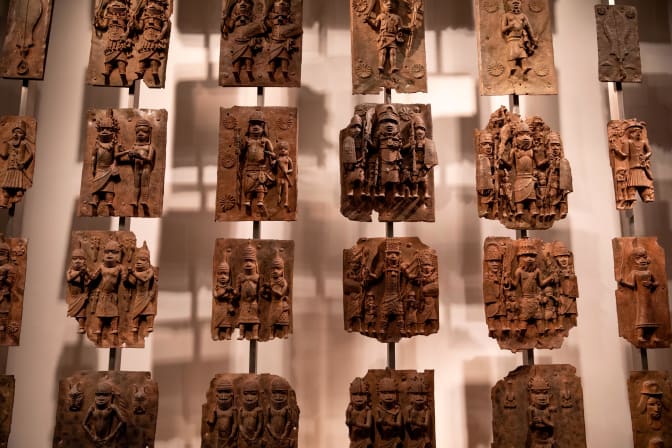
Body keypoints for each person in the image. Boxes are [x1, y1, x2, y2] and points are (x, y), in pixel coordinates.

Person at [620, 246, 661, 343]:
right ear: (634, 260)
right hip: (640, 299)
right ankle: (640, 336)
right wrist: (623, 282)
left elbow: (657, 283)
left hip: (649, 299)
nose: (642, 260)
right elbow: (631, 285)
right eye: (638, 258)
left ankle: (654, 336)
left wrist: (651, 284)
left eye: (644, 257)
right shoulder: (634, 273)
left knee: (652, 317)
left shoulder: (648, 272)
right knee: (641, 316)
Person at [239, 111, 276, 215]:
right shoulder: (247, 141)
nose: (255, 127)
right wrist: (239, 149)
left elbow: (273, 154)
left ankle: (260, 201)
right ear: (248, 127)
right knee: (248, 186)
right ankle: (247, 201)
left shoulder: (265, 141)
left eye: (259, 125)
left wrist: (272, 158)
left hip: (261, 168)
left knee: (260, 186)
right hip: (249, 168)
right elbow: (241, 154)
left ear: (263, 127)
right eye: (253, 125)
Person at [89, 239, 125, 342]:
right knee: (99, 313)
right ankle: (98, 329)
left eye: (113, 252)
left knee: (114, 313)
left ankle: (114, 329)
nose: (110, 254)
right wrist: (87, 274)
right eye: (107, 251)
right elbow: (93, 277)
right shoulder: (101, 267)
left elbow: (124, 279)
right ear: (103, 253)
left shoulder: (120, 267)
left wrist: (126, 275)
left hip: (113, 295)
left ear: (119, 255)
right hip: (102, 294)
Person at [120, 119, 155, 215]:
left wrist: (140, 156)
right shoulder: (134, 146)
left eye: (144, 131)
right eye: (138, 131)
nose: (140, 133)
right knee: (136, 185)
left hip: (146, 167)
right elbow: (130, 159)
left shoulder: (150, 147)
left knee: (144, 184)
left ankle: (144, 200)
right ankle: (134, 201)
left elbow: (149, 159)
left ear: (149, 133)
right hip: (136, 167)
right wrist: (131, 156)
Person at [222, 0, 264, 82]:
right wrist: (225, 18)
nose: (243, 4)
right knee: (237, 59)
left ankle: (248, 71)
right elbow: (230, 26)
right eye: (240, 2)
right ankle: (236, 72)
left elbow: (257, 25)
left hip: (246, 38)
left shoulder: (251, 15)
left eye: (246, 2)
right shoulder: (235, 16)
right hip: (238, 38)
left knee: (248, 57)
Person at [90, 116, 123, 217]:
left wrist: (115, 165)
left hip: (108, 169)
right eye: (102, 129)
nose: (105, 131)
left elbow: (116, 157)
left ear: (113, 131)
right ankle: (95, 202)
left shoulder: (113, 144)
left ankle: (109, 202)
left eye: (108, 129)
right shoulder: (97, 144)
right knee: (96, 188)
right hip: (99, 169)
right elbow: (93, 157)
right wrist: (93, 167)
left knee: (109, 188)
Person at [94, 0, 133, 85]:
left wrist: (126, 33)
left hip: (121, 37)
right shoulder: (109, 16)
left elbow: (130, 26)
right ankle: (107, 72)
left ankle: (122, 72)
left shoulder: (125, 16)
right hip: (111, 38)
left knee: (121, 57)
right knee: (109, 57)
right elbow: (103, 26)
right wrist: (98, 20)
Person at [364, 0, 407, 75]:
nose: (389, 3)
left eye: (392, 2)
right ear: (382, 5)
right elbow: (376, 26)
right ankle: (381, 66)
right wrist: (369, 21)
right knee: (382, 52)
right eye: (386, 1)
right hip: (383, 37)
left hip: (392, 37)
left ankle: (393, 66)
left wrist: (405, 30)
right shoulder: (380, 16)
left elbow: (400, 28)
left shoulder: (397, 17)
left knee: (393, 52)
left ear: (396, 5)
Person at [133, 0, 170, 85]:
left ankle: (155, 71)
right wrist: (135, 20)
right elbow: (139, 28)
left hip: (156, 35)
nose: (152, 5)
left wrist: (160, 36)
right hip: (146, 36)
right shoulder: (145, 13)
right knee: (143, 56)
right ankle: (141, 71)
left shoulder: (161, 12)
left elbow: (165, 25)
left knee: (154, 56)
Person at [0, 119, 34, 208]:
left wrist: (24, 162)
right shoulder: (10, 143)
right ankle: (5, 202)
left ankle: (17, 198)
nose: (16, 134)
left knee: (19, 189)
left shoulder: (24, 143)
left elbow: (31, 153)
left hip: (19, 169)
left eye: (19, 132)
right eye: (15, 132)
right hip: (10, 169)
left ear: (23, 135)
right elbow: (4, 155)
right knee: (6, 189)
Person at [265, 0, 302, 81]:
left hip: (283, 44)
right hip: (274, 43)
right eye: (277, 16)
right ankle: (271, 72)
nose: (280, 18)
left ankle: (285, 74)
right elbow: (266, 24)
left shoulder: (288, 26)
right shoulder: (273, 25)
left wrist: (288, 36)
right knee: (272, 59)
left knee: (284, 59)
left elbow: (299, 30)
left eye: (282, 16)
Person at [126, 242, 157, 335]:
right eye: (137, 260)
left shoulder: (150, 271)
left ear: (147, 262)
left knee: (149, 312)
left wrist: (133, 273)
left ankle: (149, 325)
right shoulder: (136, 273)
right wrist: (127, 276)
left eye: (142, 260)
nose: (139, 262)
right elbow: (132, 283)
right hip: (138, 296)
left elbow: (144, 279)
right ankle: (135, 326)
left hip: (146, 295)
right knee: (136, 312)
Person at [82, 379, 126, 446]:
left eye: (105, 395)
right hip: (96, 439)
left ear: (111, 395)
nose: (101, 398)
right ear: (95, 395)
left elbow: (123, 421)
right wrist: (92, 436)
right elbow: (83, 424)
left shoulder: (112, 408)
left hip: (108, 440)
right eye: (98, 395)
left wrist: (111, 436)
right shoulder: (93, 408)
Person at [500, 0, 536, 80]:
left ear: (520, 5)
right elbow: (503, 29)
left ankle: (525, 70)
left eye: (517, 4)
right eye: (514, 4)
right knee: (512, 56)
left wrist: (533, 39)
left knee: (523, 56)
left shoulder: (523, 16)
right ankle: (512, 72)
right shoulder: (506, 15)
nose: (516, 5)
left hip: (520, 40)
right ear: (510, 5)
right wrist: (509, 26)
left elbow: (529, 28)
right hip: (511, 39)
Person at [235, 242, 261, 340]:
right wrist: (234, 294)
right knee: (242, 321)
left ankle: (255, 334)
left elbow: (259, 291)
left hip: (253, 303)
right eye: (246, 261)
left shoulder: (257, 277)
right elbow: (237, 290)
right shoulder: (240, 277)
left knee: (255, 321)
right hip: (244, 303)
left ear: (255, 263)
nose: (248, 264)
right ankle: (241, 334)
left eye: (251, 261)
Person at [205, 377, 237, 447]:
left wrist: (232, 434)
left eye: (226, 392)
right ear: (216, 395)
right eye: (221, 392)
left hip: (229, 438)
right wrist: (209, 421)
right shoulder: (216, 409)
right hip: (220, 437)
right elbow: (212, 422)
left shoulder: (233, 410)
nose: (223, 396)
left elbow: (235, 424)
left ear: (232, 394)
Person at [266, 377, 296, 447]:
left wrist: (284, 434)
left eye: (282, 393)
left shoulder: (286, 409)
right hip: (272, 436)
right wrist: (273, 434)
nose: (278, 397)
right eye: (275, 393)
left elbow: (288, 422)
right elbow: (267, 423)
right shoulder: (269, 408)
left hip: (283, 437)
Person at [527, 375, 555, 448]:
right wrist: (534, 422)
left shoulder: (549, 409)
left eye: (545, 393)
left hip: (547, 442)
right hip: (536, 442)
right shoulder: (531, 409)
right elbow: (530, 425)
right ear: (530, 394)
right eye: (537, 393)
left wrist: (544, 420)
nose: (541, 397)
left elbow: (552, 424)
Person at [66, 247, 90, 334]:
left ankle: (81, 327)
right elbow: (69, 280)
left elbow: (90, 280)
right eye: (75, 259)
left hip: (81, 296)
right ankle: (81, 326)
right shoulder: (70, 271)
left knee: (81, 312)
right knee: (77, 313)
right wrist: (80, 273)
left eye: (81, 259)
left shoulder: (86, 271)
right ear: (72, 260)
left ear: (85, 261)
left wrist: (86, 273)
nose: (78, 261)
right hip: (73, 297)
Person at [375, 376, 402, 448]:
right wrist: (379, 421)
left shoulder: (397, 410)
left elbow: (399, 425)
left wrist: (388, 423)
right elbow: (377, 423)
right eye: (384, 393)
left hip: (394, 440)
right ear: (379, 394)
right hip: (383, 439)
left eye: (391, 392)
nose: (388, 396)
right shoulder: (378, 409)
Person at [213, 258, 236, 340]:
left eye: (225, 274)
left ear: (229, 276)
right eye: (221, 274)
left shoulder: (228, 288)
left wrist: (233, 293)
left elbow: (232, 297)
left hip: (226, 308)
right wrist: (225, 291)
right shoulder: (217, 288)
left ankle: (227, 334)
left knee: (228, 323)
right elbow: (216, 295)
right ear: (217, 275)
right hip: (219, 307)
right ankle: (216, 334)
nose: (223, 276)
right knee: (217, 323)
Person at [346, 377, 373, 448]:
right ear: (351, 395)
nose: (359, 398)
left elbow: (368, 426)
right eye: (355, 394)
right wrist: (349, 421)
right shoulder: (350, 409)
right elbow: (348, 422)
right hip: (354, 441)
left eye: (362, 394)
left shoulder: (367, 410)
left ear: (366, 395)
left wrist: (356, 423)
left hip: (364, 441)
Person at [238, 378, 264, 448]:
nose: (249, 397)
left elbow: (260, 424)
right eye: (246, 394)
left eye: (253, 394)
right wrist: (244, 435)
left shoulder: (258, 410)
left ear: (258, 395)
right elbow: (240, 424)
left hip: (255, 437)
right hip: (244, 437)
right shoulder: (241, 410)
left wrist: (256, 434)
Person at [0, 242, 15, 335]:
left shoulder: (9, 268)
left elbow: (11, 282)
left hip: (4, 293)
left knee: (3, 310)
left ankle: (2, 325)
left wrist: (4, 279)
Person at [275, 141, 293, 209]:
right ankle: (278, 201)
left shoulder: (288, 159)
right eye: (281, 149)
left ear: (287, 150)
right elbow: (273, 167)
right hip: (279, 177)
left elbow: (292, 169)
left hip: (286, 177)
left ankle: (286, 202)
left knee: (286, 191)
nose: (283, 150)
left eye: (285, 149)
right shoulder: (278, 159)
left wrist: (287, 171)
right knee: (278, 191)